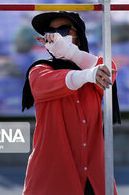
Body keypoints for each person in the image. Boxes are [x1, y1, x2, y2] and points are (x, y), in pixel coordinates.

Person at [21, 11, 120, 195]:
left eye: (64, 30)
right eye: (52, 31)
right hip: (51, 181)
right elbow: (65, 79)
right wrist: (88, 75)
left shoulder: (95, 72)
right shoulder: (39, 71)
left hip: (95, 182)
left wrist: (70, 53)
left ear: (79, 38)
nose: (57, 35)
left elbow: (109, 70)